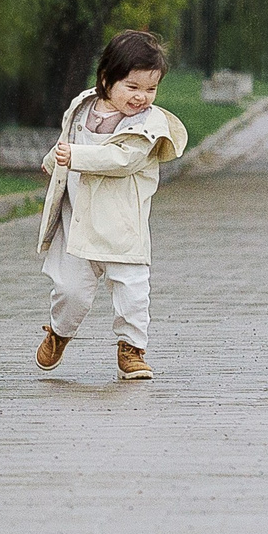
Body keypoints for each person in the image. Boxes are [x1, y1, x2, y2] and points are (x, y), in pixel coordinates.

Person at [34, 30, 190, 382]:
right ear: (107, 79)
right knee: (69, 289)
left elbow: (123, 160)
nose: (141, 98)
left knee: (133, 288)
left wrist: (76, 156)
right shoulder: (82, 107)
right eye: (132, 87)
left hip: (122, 223)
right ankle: (59, 331)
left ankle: (132, 349)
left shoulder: (149, 125)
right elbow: (66, 141)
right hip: (79, 220)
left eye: (150, 89)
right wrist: (53, 160)